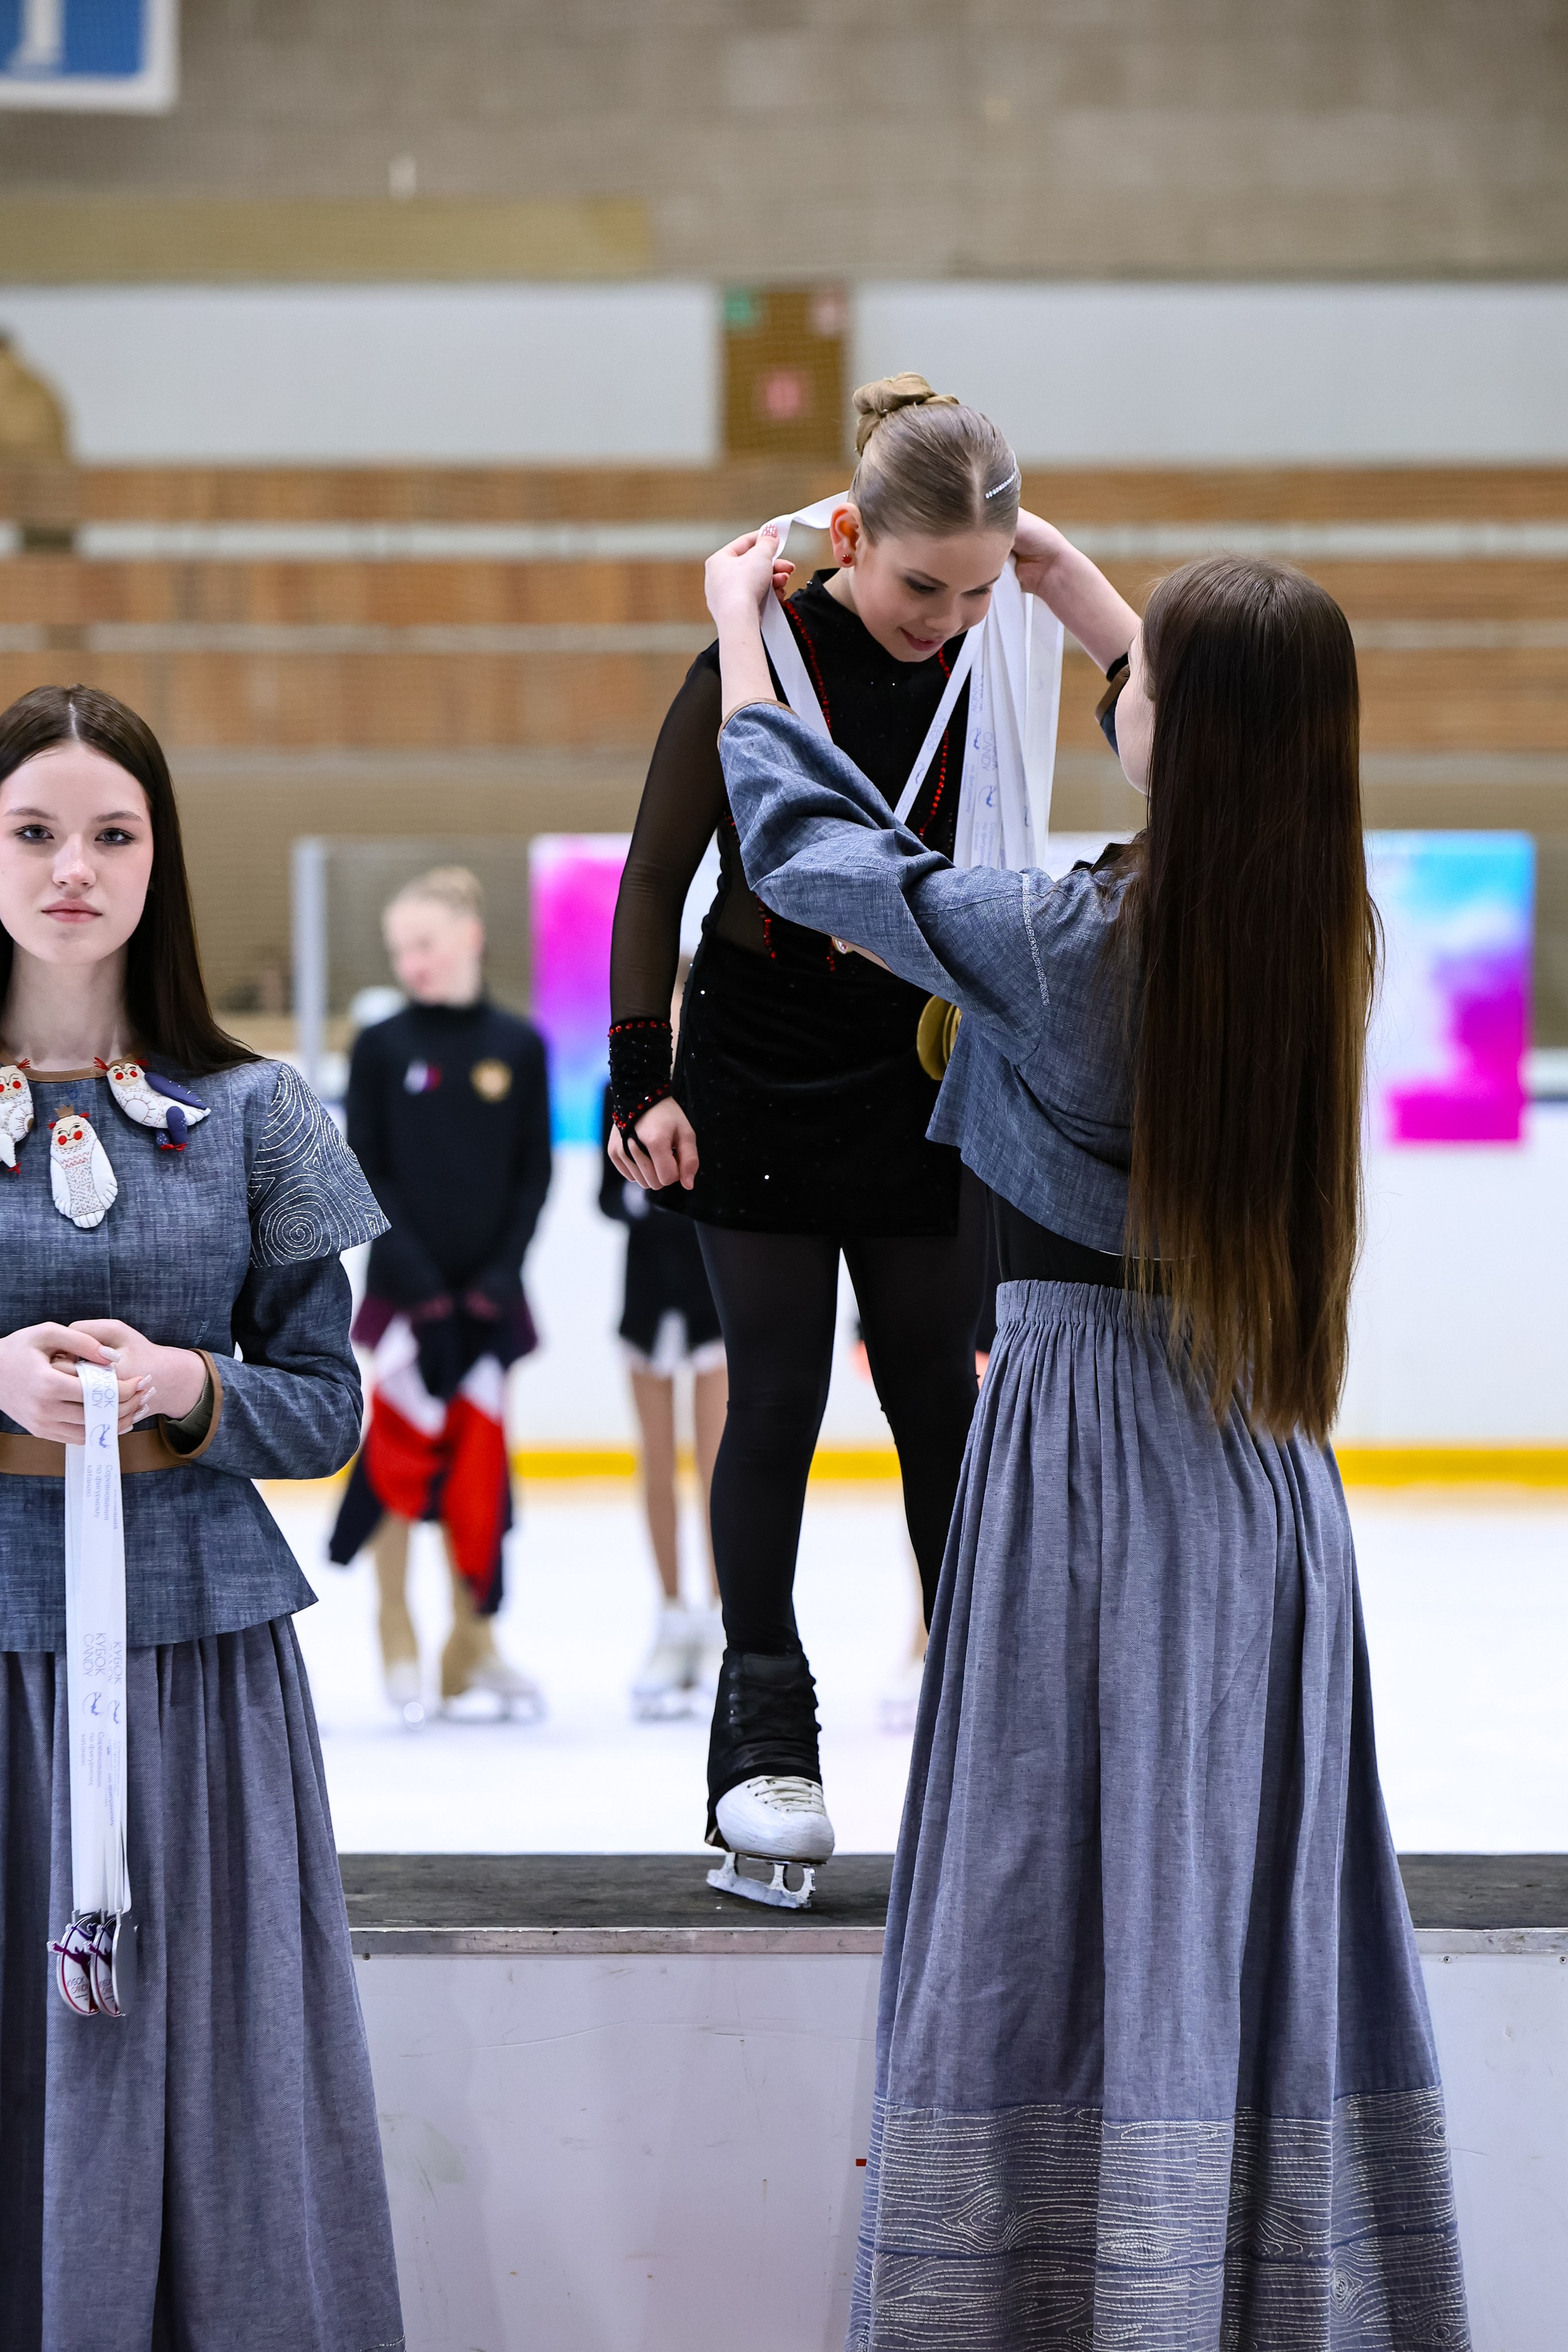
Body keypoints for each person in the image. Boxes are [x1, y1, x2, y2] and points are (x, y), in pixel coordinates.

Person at [704, 526, 1471, 2345]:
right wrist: (1079, 595)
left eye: (1146, 685)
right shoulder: (1318, 923)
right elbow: (1226, 735)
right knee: (1218, 1873)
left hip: (1087, 1450)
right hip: (1255, 1471)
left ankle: (1061, 2292)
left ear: (1169, 732)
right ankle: (1227, 2282)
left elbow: (810, 853)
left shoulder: (1068, 946)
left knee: (1053, 1871)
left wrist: (743, 633)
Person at [0, 683, 402, 2347]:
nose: (73, 868)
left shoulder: (259, 1113)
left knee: (217, 2052)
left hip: (202, 1667)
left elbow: (328, 1407)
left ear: (160, 859)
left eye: (113, 834)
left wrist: (187, 1384)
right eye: (34, 831)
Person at [607, 374, 1020, 1883]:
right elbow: (653, 876)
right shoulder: (760, 644)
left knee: (938, 1400)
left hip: (921, 1068)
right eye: (921, 586)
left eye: (976, 589)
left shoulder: (992, 658)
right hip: (757, 1060)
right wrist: (638, 1079)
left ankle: (993, 1738)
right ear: (847, 540)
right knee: (773, 1397)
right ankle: (762, 1742)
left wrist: (1029, 569)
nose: (945, 619)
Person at [328, 867, 552, 1723]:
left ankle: (472, 1641)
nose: (410, 962)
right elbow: (366, 1167)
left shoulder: (519, 1045)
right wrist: (419, 1280)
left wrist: (499, 1275)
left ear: (470, 937)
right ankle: (396, 1631)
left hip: (489, 1296)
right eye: (399, 950)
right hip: (405, 1293)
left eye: (423, 944)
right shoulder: (381, 1046)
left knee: (479, 1463)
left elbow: (533, 1174)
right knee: (397, 1460)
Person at [598, 962, 726, 1719]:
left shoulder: (717, 1083)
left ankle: (717, 1617)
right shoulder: (618, 1090)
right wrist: (643, 1192)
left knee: (716, 1462)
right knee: (656, 1458)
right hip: (647, 1298)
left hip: (714, 1297)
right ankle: (671, 1612)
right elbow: (604, 1195)